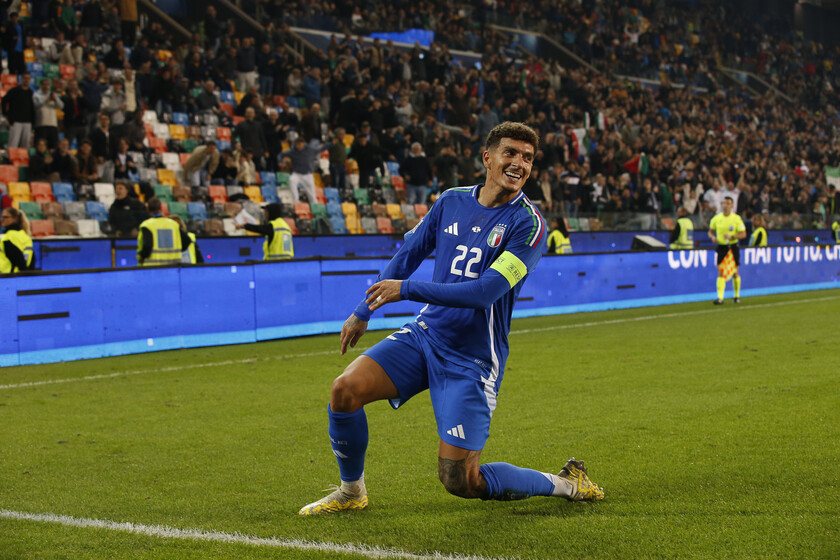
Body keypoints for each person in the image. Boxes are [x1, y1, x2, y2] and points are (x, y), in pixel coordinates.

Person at [298, 122, 604, 516]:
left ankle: (565, 483)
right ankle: (351, 491)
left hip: (472, 358)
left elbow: (483, 293)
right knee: (345, 391)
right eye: (510, 153)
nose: (519, 163)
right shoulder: (451, 201)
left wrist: (406, 290)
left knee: (461, 480)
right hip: (426, 335)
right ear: (487, 157)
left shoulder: (528, 224)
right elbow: (407, 255)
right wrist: (363, 310)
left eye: (527, 158)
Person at [708, 196, 746, 305]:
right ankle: (720, 298)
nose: (726, 205)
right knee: (720, 271)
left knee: (735, 272)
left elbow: (743, 234)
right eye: (724, 203)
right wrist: (712, 237)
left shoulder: (736, 219)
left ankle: (736, 296)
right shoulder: (716, 218)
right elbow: (710, 231)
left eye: (728, 203)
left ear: (732, 206)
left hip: (732, 247)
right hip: (722, 247)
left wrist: (733, 237)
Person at [136, 198, 192, 266]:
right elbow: (187, 241)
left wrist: (142, 256)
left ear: (148, 209)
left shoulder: (147, 225)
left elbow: (147, 246)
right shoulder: (173, 224)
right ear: (161, 209)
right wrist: (177, 251)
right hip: (173, 266)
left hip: (153, 267)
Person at [279, 137, 326, 204]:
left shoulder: (310, 149)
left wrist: (332, 143)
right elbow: (281, 154)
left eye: (299, 144)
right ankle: (296, 201)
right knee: (292, 180)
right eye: (297, 145)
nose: (298, 146)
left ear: (303, 144)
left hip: (307, 174)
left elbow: (321, 149)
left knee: (312, 193)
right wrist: (280, 161)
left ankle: (314, 204)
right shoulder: (293, 151)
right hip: (297, 173)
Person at [1, 72, 35, 149]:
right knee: (13, 143)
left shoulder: (31, 92)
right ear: (21, 79)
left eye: (28, 78)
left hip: (27, 122)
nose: (26, 80)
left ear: (30, 80)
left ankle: (24, 160)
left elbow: (32, 108)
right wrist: (6, 115)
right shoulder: (14, 91)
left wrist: (33, 122)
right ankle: (10, 159)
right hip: (15, 121)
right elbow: (4, 101)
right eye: (25, 78)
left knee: (26, 145)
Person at [0, 207, 35, 273]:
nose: (2, 219)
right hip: (24, 276)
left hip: (10, 276)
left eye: (5, 217)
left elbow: (18, 258)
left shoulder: (8, 237)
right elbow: (32, 259)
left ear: (14, 218)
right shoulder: (25, 236)